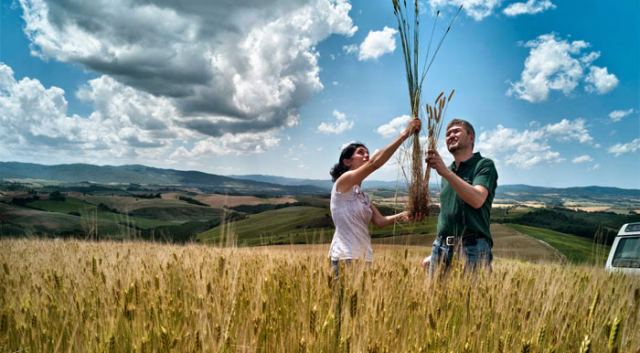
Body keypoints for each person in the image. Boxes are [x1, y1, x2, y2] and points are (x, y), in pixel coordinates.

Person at [328, 119, 421, 276]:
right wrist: (405, 134)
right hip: (345, 257)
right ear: (347, 161)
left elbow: (380, 221)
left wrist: (406, 214)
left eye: (367, 152)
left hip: (365, 258)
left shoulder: (362, 195)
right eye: (360, 153)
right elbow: (374, 163)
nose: (366, 155)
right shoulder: (342, 184)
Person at [424, 118, 498, 276]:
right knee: (434, 300)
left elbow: (477, 199)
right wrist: (437, 251)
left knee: (470, 300)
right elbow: (448, 211)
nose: (450, 135)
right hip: (442, 247)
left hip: (473, 247)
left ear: (471, 137)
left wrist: (445, 172)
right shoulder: (447, 171)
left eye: (456, 131)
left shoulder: (484, 165)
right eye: (447, 133)